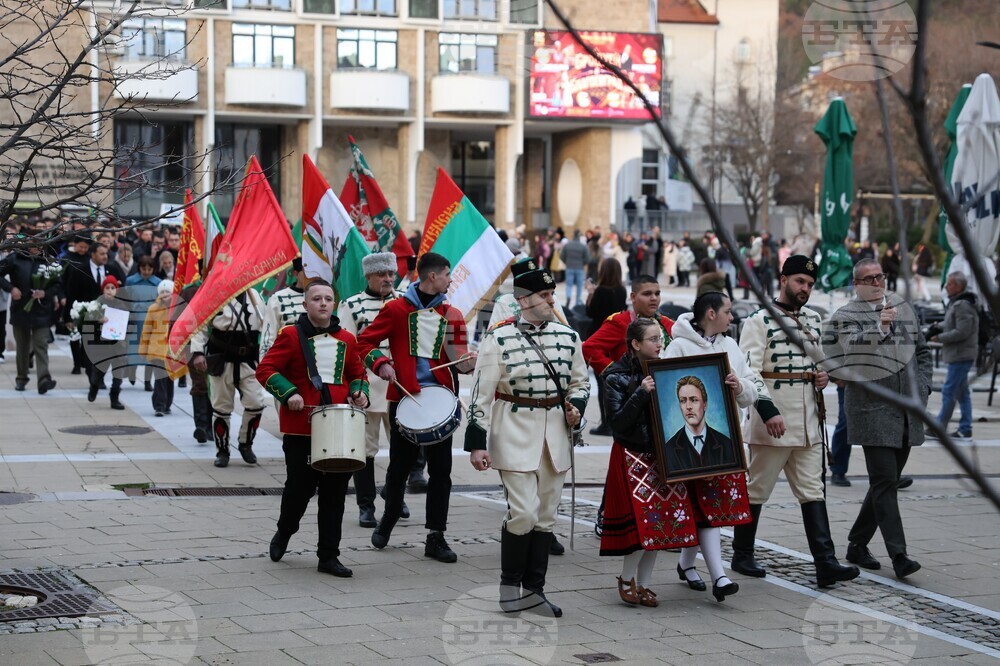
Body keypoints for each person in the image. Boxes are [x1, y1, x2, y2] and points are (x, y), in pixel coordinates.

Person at [464, 259, 588, 616]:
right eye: (543, 295)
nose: (551, 301)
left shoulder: (569, 337)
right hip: (514, 432)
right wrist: (476, 443)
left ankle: (534, 593)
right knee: (523, 513)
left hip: (555, 436)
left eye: (552, 294)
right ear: (522, 299)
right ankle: (509, 589)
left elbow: (580, 382)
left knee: (546, 516)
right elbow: (480, 395)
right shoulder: (498, 338)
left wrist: (577, 407)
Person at [735, 255, 860, 588]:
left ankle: (825, 563)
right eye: (799, 281)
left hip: (808, 420)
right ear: (783, 279)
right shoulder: (759, 320)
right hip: (773, 421)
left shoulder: (813, 319)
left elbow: (818, 361)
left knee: (813, 490)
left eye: (810, 284)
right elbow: (749, 372)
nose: (805, 288)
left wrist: (822, 376)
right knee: (757, 488)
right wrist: (768, 411)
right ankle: (742, 553)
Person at [357, 252, 476, 562]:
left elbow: (459, 359)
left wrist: (469, 362)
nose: (450, 280)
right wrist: (380, 363)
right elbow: (363, 343)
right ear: (432, 277)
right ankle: (389, 516)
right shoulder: (395, 310)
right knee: (398, 469)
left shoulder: (453, 315)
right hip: (404, 401)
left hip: (441, 405)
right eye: (447, 274)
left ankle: (436, 536)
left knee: (441, 473)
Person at [826, 258, 931, 578]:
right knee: (885, 482)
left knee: (883, 482)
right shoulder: (846, 316)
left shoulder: (903, 310)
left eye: (879, 276)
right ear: (856, 284)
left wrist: (923, 387)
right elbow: (851, 353)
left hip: (906, 411)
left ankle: (857, 544)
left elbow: (923, 352)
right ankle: (899, 555)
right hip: (871, 412)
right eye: (868, 278)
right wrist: (880, 327)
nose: (876, 283)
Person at [257, 279, 370, 578]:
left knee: (335, 494)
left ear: (334, 304)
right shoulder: (290, 335)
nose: (323, 303)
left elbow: (357, 374)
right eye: (317, 299)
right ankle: (285, 531)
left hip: (339, 426)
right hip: (301, 428)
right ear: (305, 304)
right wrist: (289, 393)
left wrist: (360, 393)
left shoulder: (347, 339)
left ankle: (328, 556)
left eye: (328, 299)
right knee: (299, 489)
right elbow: (265, 370)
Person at [653, 293, 760, 602]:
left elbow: (751, 389)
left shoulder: (730, 346)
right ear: (711, 313)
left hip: (723, 444)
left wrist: (740, 386)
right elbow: (665, 394)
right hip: (685, 449)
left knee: (711, 508)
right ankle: (719, 577)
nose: (732, 317)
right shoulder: (679, 347)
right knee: (701, 509)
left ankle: (687, 564)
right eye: (728, 311)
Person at [338, 252, 409, 529]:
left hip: (399, 385)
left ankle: (394, 494)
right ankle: (365, 505)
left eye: (391, 274)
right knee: (364, 449)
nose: (388, 279)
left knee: (403, 448)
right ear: (368, 276)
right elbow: (346, 345)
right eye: (382, 274)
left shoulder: (405, 302)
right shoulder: (351, 305)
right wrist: (351, 385)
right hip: (366, 383)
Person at [584, 273, 673, 438]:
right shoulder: (620, 322)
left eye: (657, 293)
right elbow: (589, 348)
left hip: (664, 399)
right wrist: (615, 372)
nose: (654, 298)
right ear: (633, 297)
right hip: (632, 399)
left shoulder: (667, 324)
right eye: (647, 294)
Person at [190, 289, 268, 468]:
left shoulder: (254, 295)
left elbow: (266, 326)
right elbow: (200, 324)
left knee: (256, 403)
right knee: (221, 408)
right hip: (221, 358)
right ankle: (222, 451)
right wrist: (198, 352)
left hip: (249, 359)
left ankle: (246, 443)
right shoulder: (215, 294)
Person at [0, 241, 58, 393]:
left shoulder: (49, 260)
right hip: (20, 309)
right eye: (33, 244)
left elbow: (58, 283)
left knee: (41, 345)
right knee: (22, 347)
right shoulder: (15, 258)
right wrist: (11, 288)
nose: (36, 248)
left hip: (41, 310)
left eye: (39, 244)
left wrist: (46, 293)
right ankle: (21, 378)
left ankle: (44, 379)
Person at [929, 272, 978, 439]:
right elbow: (953, 323)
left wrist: (940, 338)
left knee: (949, 390)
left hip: (961, 355)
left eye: (949, 284)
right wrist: (939, 326)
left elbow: (963, 331)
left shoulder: (963, 305)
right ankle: (965, 428)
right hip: (959, 354)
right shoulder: (958, 303)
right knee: (962, 392)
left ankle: (939, 427)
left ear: (958, 286)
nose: (946, 287)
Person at [663, 376, 736, 472]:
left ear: (705, 404)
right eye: (683, 401)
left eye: (694, 400)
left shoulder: (726, 444)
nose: (688, 406)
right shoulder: (668, 449)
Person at [85, 276, 128, 410]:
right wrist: (98, 320)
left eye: (112, 288)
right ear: (103, 290)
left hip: (118, 346)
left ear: (116, 290)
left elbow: (128, 322)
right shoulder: (96, 305)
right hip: (102, 346)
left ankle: (114, 397)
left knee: (118, 373)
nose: (110, 290)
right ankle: (94, 387)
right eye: (107, 288)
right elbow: (87, 320)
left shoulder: (121, 305)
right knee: (98, 371)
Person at [123, 256, 161, 391]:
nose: (146, 272)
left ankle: (147, 381)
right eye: (143, 269)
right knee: (133, 350)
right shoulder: (131, 281)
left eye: (149, 269)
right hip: (135, 320)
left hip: (150, 322)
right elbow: (125, 299)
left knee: (149, 353)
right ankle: (132, 371)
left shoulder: (158, 283)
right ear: (139, 268)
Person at [139, 280, 176, 416]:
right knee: (160, 378)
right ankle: (159, 406)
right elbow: (146, 330)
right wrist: (143, 349)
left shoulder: (176, 309)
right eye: (162, 292)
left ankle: (167, 404)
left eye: (168, 292)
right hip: (157, 349)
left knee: (169, 379)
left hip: (171, 350)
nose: (165, 294)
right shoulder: (153, 309)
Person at [259, 258, 307, 360]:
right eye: (306, 271)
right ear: (296, 273)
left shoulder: (324, 298)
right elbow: (269, 337)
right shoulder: (278, 299)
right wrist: (266, 365)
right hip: (288, 360)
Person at [560, 230, 590, 309]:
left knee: (569, 285)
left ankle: (568, 297)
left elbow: (561, 255)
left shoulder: (567, 245)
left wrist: (566, 262)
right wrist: (583, 263)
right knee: (579, 286)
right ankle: (577, 302)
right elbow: (587, 258)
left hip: (569, 267)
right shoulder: (583, 246)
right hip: (579, 267)